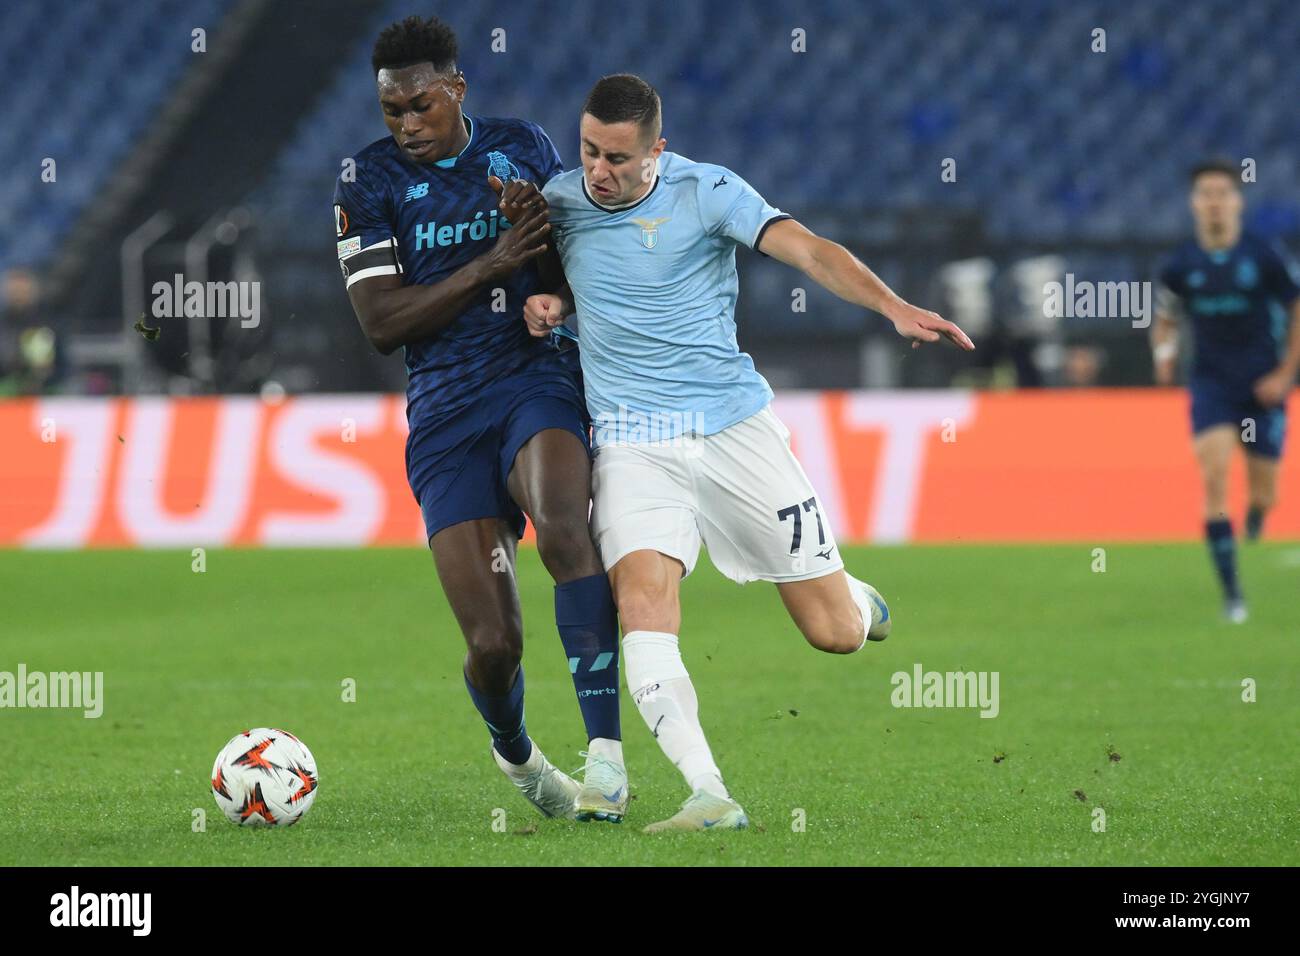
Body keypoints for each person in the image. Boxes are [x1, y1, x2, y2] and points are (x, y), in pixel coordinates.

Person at [526, 74, 974, 832]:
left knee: (835, 634)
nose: (600, 171)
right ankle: (709, 793)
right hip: (633, 442)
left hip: (734, 431)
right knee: (641, 603)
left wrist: (892, 305)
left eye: (619, 158)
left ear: (657, 152)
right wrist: (555, 302)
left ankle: (859, 597)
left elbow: (810, 251)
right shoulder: (562, 204)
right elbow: (575, 281)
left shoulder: (708, 192)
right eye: (589, 151)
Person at [334, 16, 626, 823]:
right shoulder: (366, 181)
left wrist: (549, 284)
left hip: (534, 378)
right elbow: (384, 324)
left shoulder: (522, 146)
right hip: (445, 415)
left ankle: (607, 760)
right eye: (392, 111)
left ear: (455, 88)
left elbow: (570, 261)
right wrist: (493, 261)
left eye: (420, 105)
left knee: (566, 526)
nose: (406, 124)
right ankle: (519, 755)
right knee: (495, 647)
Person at [1153, 159, 1300, 622]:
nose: (1214, 201)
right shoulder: (1180, 265)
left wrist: (1284, 375)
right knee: (1214, 476)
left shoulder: (1264, 256)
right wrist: (1164, 354)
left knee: (1265, 493)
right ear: (1194, 203)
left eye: (1222, 193)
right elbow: (1165, 319)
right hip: (1211, 384)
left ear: (1237, 201)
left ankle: (1257, 515)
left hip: (1261, 389)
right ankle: (1233, 595)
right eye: (1205, 194)